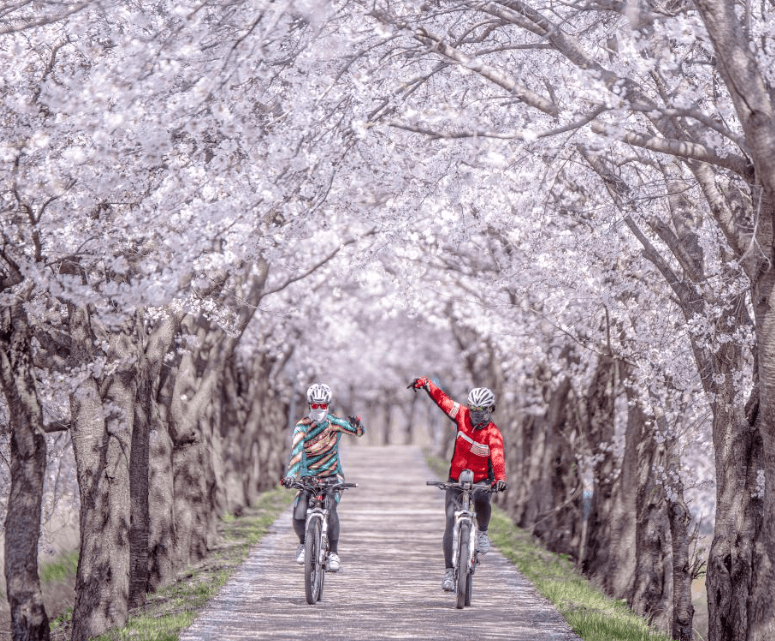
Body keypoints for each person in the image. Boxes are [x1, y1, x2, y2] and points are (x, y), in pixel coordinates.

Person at [409, 377, 507, 592]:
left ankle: (482, 532)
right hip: (456, 477)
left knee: (482, 499)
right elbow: (443, 400)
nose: (475, 414)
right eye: (472, 409)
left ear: (490, 409)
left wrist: (499, 480)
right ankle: (448, 572)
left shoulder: (493, 433)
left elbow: (498, 457)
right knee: (450, 522)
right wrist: (426, 384)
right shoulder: (461, 415)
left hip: (482, 478)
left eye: (480, 410)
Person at [282, 382, 365, 572]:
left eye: (323, 406)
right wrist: (290, 476)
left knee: (331, 507)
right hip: (308, 477)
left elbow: (358, 433)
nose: (319, 409)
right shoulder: (302, 426)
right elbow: (296, 452)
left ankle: (334, 553)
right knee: (299, 510)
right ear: (309, 404)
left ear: (328, 405)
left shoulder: (335, 423)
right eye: (315, 405)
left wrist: (358, 425)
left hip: (332, 477)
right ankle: (303, 543)